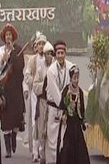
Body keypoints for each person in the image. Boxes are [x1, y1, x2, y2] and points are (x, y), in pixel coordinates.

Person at [0, 23, 25, 158]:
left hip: (16, 89)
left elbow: (20, 67)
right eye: (6, 35)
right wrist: (3, 61)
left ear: (13, 37)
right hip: (5, 89)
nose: (8, 37)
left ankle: (14, 137)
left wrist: (12, 57)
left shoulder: (18, 49)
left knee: (16, 116)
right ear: (3, 37)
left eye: (10, 35)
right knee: (5, 117)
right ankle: (7, 148)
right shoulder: (1, 51)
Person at [46, 41, 74, 164]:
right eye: (58, 53)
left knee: (66, 139)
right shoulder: (51, 71)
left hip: (67, 109)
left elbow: (73, 86)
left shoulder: (71, 67)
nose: (60, 55)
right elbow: (56, 94)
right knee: (52, 140)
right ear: (55, 55)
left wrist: (68, 109)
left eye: (62, 53)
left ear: (65, 53)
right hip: (55, 109)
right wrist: (63, 108)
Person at [57, 66, 90, 164]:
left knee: (80, 148)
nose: (76, 80)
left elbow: (82, 110)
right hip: (68, 124)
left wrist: (84, 122)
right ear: (70, 78)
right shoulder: (66, 90)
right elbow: (62, 106)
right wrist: (63, 115)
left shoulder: (79, 92)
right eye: (74, 78)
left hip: (76, 125)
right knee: (67, 147)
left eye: (77, 78)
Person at [24, 33, 47, 162]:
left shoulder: (50, 59)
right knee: (35, 121)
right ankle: (35, 152)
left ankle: (44, 151)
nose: (41, 46)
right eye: (39, 44)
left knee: (45, 123)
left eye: (43, 44)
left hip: (46, 96)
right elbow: (27, 76)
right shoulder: (32, 60)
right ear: (35, 47)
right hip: (35, 95)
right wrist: (35, 84)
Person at [34, 41, 54, 163]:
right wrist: (44, 84)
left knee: (51, 131)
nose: (49, 56)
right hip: (42, 102)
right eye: (47, 54)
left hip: (52, 104)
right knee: (41, 130)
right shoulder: (40, 67)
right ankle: (42, 156)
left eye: (51, 54)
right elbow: (35, 85)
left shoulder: (55, 68)